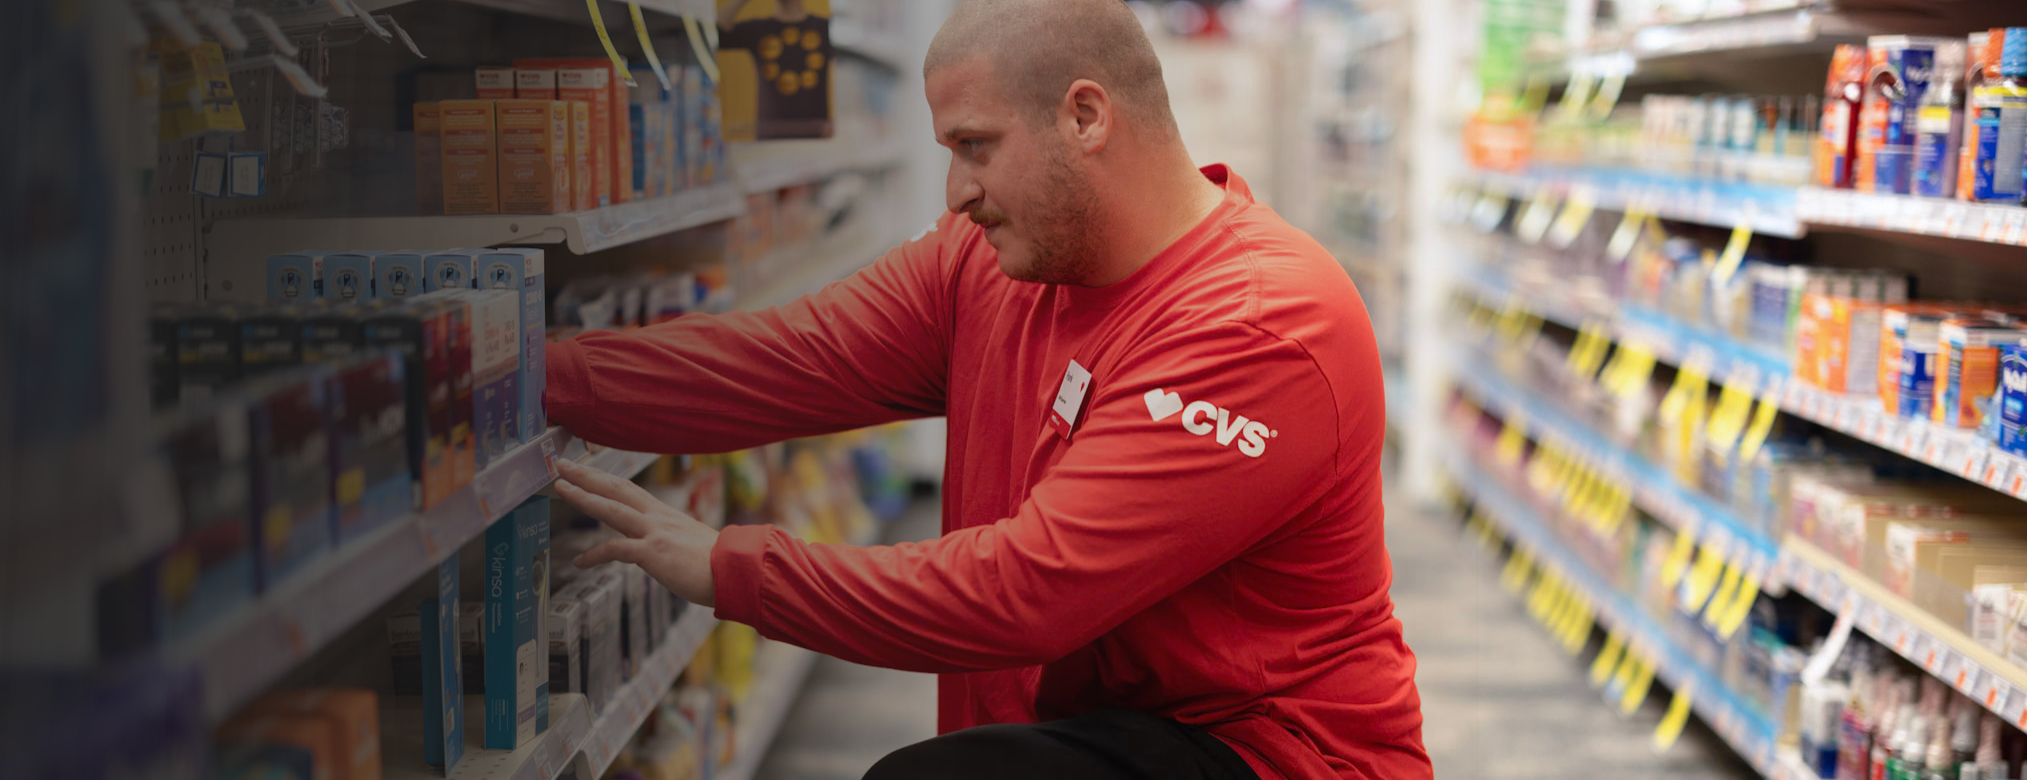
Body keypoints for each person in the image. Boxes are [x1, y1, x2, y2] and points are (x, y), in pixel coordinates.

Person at [545, 0, 1430, 777]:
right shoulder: (994, 263)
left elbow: (1027, 591)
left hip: (1268, 751)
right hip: (1091, 726)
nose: (957, 190)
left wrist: (727, 569)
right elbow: (791, 357)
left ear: (1085, 115)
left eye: (976, 146)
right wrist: (530, 379)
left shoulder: (1258, 324)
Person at [717, 0, 834, 139]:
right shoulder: (759, 29)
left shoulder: (824, 28)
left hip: (816, 137)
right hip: (770, 138)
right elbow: (718, 30)